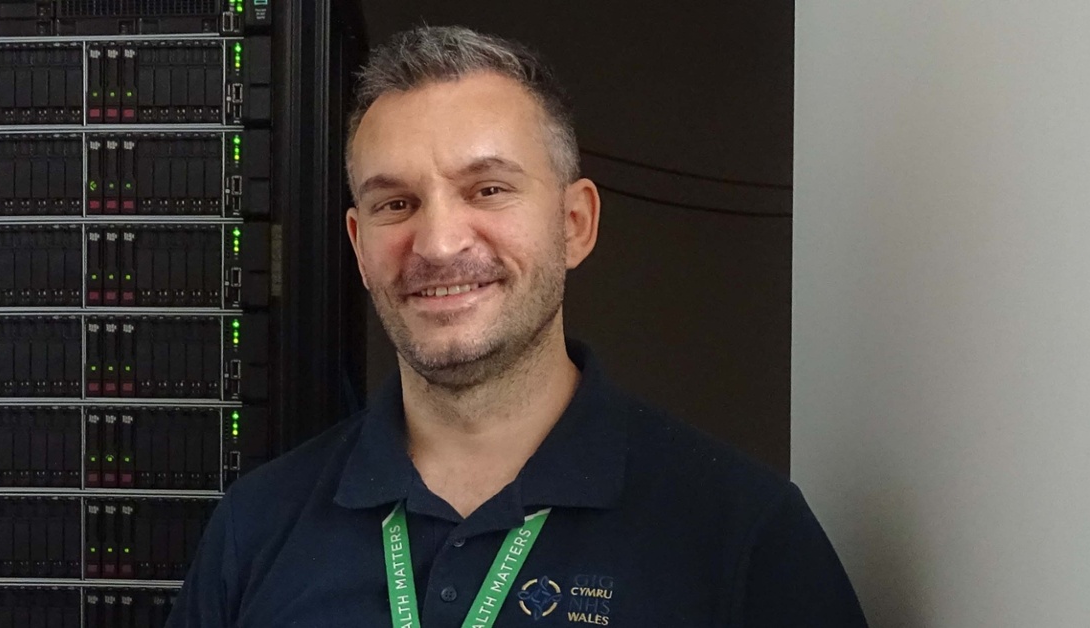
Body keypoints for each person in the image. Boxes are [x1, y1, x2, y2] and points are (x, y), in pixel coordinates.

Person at [170, 25, 866, 627]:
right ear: (358, 245)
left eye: (488, 190)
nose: (438, 243)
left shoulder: (743, 533)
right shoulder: (255, 528)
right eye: (396, 203)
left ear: (575, 224)